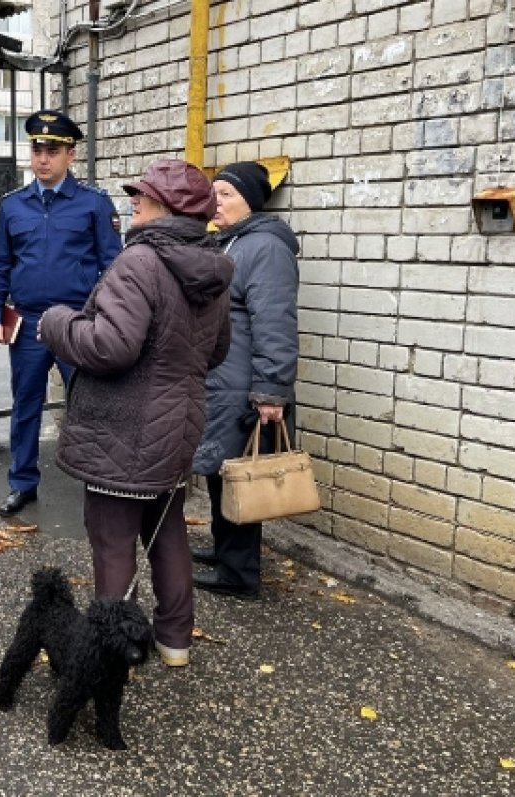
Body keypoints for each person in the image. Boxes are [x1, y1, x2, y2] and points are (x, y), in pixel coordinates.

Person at [39, 159, 233, 668]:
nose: (134, 205)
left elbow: (109, 347)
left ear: (166, 209)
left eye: (142, 199)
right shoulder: (211, 267)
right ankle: (174, 642)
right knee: (167, 533)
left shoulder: (141, 261)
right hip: (178, 425)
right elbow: (215, 351)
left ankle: (108, 651)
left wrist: (58, 321)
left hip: (120, 429)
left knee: (112, 538)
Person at [0, 110, 121, 518]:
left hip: (77, 320)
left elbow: (112, 267)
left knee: (90, 401)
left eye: (52, 150)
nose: (43, 158)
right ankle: (22, 482)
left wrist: (105, 320)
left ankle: (100, 479)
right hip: (26, 322)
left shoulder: (93, 204)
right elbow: (0, 266)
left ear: (70, 154)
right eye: (37, 149)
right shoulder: (13, 206)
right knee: (26, 403)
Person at [191, 161, 300, 599]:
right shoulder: (232, 242)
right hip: (223, 382)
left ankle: (240, 574)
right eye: (213, 192)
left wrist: (271, 391)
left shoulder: (265, 249)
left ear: (250, 202)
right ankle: (225, 553)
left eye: (226, 194)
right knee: (223, 470)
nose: (215, 201)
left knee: (240, 474)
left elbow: (275, 322)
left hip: (245, 388)